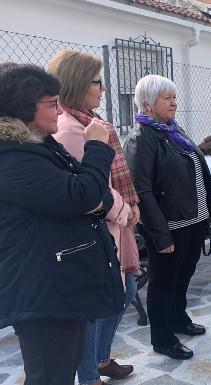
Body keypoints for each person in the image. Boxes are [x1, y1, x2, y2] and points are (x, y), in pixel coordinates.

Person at [0, 63, 124, 385]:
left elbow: (87, 194)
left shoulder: (36, 144)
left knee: (61, 369)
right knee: (49, 375)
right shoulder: (11, 157)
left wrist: (93, 197)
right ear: (23, 107)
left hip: (58, 283)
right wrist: (97, 146)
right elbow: (80, 194)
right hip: (40, 289)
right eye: (51, 103)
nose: (58, 110)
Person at [48, 50, 139, 384]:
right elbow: (90, 188)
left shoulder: (91, 124)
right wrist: (125, 209)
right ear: (76, 84)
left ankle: (100, 360)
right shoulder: (70, 130)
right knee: (93, 309)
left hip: (113, 226)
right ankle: (89, 375)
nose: (103, 89)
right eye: (97, 82)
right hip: (96, 231)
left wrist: (129, 206)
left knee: (124, 291)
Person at [124, 74, 211, 359]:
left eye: (175, 97)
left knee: (183, 274)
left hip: (193, 221)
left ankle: (178, 318)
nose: (175, 103)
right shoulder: (142, 138)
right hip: (169, 227)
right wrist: (160, 235)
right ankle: (162, 338)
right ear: (148, 105)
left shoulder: (172, 130)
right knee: (163, 282)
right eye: (168, 98)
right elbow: (141, 190)